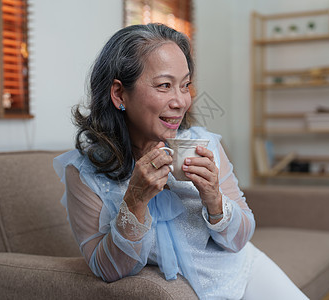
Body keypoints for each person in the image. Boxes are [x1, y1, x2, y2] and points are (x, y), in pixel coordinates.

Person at [54, 23, 308, 300]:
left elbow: (240, 239)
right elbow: (107, 270)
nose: (181, 101)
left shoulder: (202, 144)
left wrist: (214, 199)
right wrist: (135, 200)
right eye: (164, 85)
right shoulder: (86, 172)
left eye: (185, 85)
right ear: (119, 94)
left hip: (243, 276)